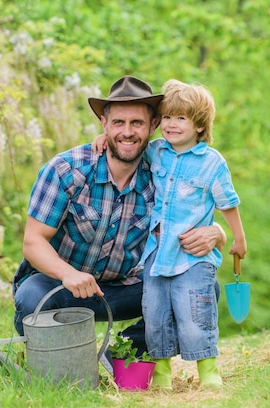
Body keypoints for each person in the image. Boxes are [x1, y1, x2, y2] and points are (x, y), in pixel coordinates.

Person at [11, 76, 226, 364]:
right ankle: (65, 361)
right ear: (104, 124)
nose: (127, 132)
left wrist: (217, 233)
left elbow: (200, 204)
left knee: (203, 289)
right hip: (62, 285)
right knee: (30, 296)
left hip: (126, 288)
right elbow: (32, 242)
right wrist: (68, 274)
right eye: (118, 123)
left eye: (137, 123)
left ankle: (118, 356)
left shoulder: (163, 173)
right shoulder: (67, 170)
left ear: (153, 126)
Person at [94, 79, 247, 390]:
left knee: (196, 314)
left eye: (182, 119)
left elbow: (228, 203)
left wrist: (236, 238)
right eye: (167, 118)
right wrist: (104, 138)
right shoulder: (156, 152)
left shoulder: (211, 163)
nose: (171, 125)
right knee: (156, 317)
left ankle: (208, 371)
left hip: (193, 256)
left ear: (200, 126)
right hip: (157, 252)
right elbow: (128, 148)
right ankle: (161, 374)